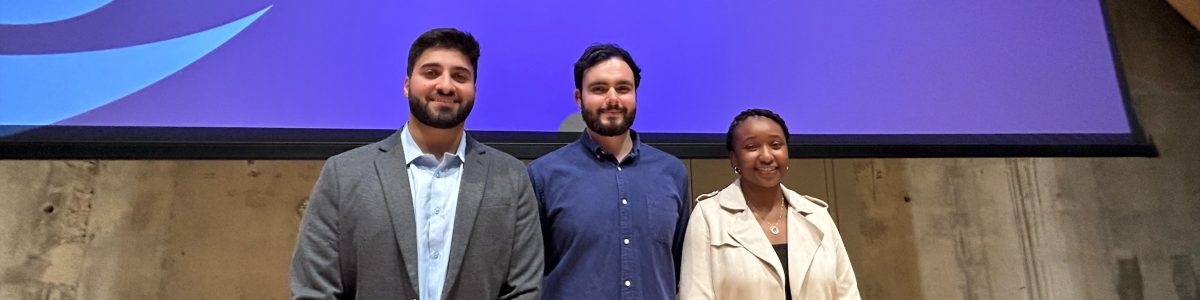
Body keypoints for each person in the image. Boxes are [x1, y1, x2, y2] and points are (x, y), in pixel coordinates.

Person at [290, 28, 543, 300]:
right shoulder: (344, 174)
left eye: (460, 76)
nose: (445, 86)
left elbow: (524, 290)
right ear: (407, 84)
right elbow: (314, 289)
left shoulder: (511, 177)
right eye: (431, 73)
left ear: (474, 90)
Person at [527, 44, 690, 299]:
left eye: (623, 88)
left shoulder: (672, 173)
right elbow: (528, 277)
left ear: (635, 94)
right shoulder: (543, 175)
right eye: (599, 89)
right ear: (579, 98)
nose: (612, 99)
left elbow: (683, 271)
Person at [678, 108, 859, 299]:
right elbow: (695, 293)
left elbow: (847, 293)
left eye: (775, 145)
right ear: (734, 159)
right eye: (752, 147)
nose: (766, 156)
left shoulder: (817, 215)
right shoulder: (708, 216)